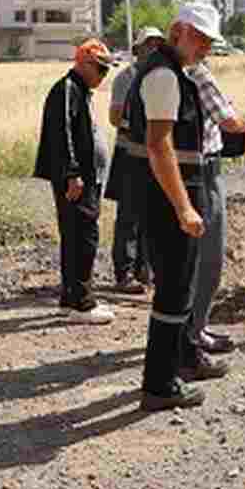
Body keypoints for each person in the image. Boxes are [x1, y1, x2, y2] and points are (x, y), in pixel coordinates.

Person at [127, 3, 225, 411]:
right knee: (174, 289)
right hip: (169, 197)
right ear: (178, 31)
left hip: (169, 193)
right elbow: (158, 144)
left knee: (177, 286)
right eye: (199, 38)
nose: (204, 48)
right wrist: (185, 208)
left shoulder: (168, 71)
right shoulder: (165, 75)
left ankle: (177, 362)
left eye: (208, 42)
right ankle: (160, 385)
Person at [183, 60, 245, 375]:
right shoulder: (197, 73)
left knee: (194, 262)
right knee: (209, 260)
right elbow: (228, 121)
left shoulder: (166, 72)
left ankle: (192, 331)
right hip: (204, 171)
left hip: (192, 170)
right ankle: (192, 335)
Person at [32, 39, 116, 324]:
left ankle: (71, 298)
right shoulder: (67, 90)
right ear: (83, 63)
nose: (104, 76)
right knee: (83, 237)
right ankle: (82, 303)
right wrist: (72, 173)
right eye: (100, 69)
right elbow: (62, 134)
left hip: (85, 177)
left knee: (77, 236)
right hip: (78, 179)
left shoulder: (78, 90)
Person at [103, 26, 164, 293]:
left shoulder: (164, 77)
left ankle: (144, 270)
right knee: (129, 215)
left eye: (157, 44)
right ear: (137, 49)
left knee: (152, 215)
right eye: (148, 44)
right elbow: (115, 118)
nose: (153, 49)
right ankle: (124, 273)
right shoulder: (125, 78)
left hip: (154, 154)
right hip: (130, 153)